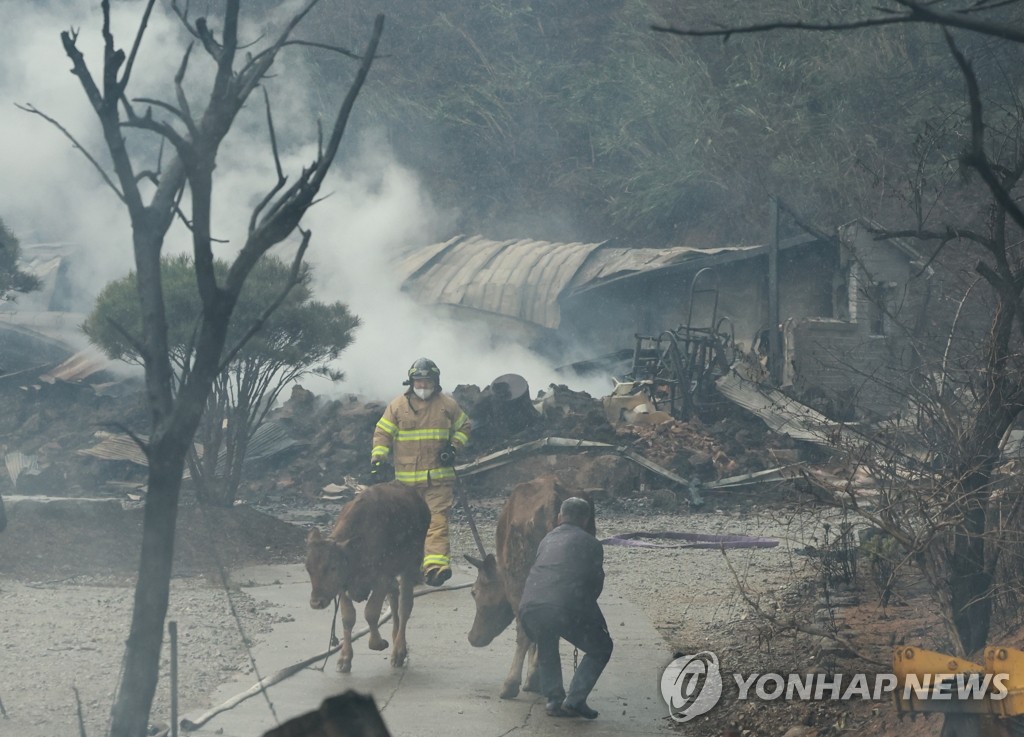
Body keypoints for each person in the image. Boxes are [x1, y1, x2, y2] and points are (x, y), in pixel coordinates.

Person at [371, 358, 471, 587]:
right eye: (419, 381)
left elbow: (465, 427)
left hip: (438, 480)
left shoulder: (448, 405)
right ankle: (410, 568)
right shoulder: (397, 406)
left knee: (437, 522)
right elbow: (382, 433)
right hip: (406, 484)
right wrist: (377, 459)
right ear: (411, 382)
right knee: (408, 525)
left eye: (427, 382)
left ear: (436, 382)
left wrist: (453, 447)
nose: (423, 386)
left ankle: (436, 568)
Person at [518, 497, 613, 719]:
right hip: (563, 606)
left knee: (546, 641)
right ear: (585, 520)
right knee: (601, 647)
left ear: (560, 517)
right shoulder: (592, 543)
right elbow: (593, 585)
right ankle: (575, 700)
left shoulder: (547, 540)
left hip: (529, 608)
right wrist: (592, 620)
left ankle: (554, 700)